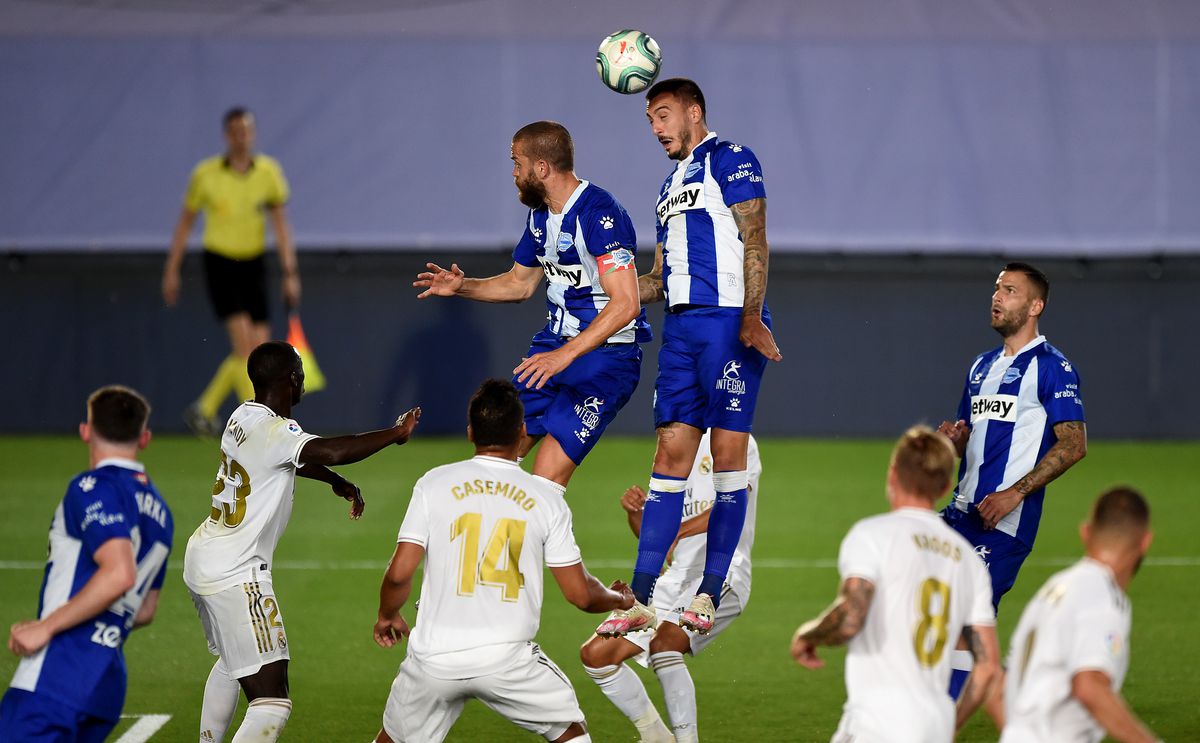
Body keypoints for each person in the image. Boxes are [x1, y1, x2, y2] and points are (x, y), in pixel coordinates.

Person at [602, 77, 782, 639]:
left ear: (693, 112)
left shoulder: (731, 158)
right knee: (670, 456)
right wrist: (605, 286)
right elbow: (659, 278)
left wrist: (751, 316)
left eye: (663, 116)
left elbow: (756, 238)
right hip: (679, 330)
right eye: (650, 120)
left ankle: (707, 594)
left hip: (728, 323)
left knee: (727, 458)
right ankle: (642, 594)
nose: (655, 129)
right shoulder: (667, 186)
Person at [371, 379, 634, 743]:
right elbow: (581, 595)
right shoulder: (546, 498)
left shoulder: (433, 483)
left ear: (469, 433)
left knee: (392, 738)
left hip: (434, 659)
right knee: (571, 733)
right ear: (523, 430)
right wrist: (619, 600)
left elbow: (400, 573)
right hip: (507, 661)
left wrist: (387, 615)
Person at [183, 341, 420, 743]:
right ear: (290, 380)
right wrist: (395, 433)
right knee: (272, 702)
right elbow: (330, 449)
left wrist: (335, 482)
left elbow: (290, 457)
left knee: (232, 661)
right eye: (300, 372)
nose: (304, 379)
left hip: (203, 557)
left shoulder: (242, 415)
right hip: (236, 574)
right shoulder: (279, 429)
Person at [413, 121, 649, 491]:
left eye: (517, 163)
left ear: (541, 168)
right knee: (492, 465)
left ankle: (554, 549)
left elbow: (627, 303)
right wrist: (463, 286)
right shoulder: (541, 216)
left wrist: (564, 356)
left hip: (605, 360)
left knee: (542, 485)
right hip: (552, 350)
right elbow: (519, 284)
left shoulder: (600, 214)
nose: (513, 174)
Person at [790, 426, 999, 743]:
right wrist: (949, 723)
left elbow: (849, 620)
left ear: (892, 474)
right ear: (944, 486)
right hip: (934, 721)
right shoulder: (967, 560)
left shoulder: (873, 535)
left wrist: (808, 634)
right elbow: (987, 668)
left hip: (879, 719)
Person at [937, 262, 1088, 698]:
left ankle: (940, 719)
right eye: (997, 289)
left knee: (967, 615)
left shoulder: (1053, 368)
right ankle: (993, 679)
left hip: (1003, 526)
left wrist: (1013, 494)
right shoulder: (980, 367)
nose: (997, 297)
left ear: (1036, 306)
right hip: (959, 514)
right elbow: (968, 441)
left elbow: (1073, 444)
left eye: (1011, 291)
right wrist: (951, 443)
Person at [0, 386, 174, 741]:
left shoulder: (89, 487)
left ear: (85, 430)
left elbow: (120, 573)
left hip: (58, 673)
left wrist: (46, 627)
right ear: (144, 438)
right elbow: (143, 611)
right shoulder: (160, 512)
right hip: (106, 683)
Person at [580, 431, 761, 743]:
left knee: (665, 645)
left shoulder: (736, 438)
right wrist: (636, 515)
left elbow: (734, 502)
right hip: (676, 577)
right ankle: (657, 737)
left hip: (723, 574)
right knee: (596, 656)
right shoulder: (674, 441)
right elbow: (657, 541)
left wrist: (678, 529)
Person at [163, 106, 301, 436]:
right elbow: (186, 222)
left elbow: (281, 224)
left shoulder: (268, 172)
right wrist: (172, 269)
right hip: (221, 263)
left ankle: (206, 407)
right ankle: (260, 424)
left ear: (252, 134)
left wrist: (290, 271)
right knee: (245, 349)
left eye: (246, 131)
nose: (241, 137)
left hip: (254, 263)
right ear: (227, 135)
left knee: (261, 348)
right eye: (235, 131)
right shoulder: (206, 174)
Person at [1002, 487, 1160, 743]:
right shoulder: (1102, 595)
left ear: (1085, 532)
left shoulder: (1055, 588)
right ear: (1145, 542)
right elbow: (1090, 687)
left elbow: (1002, 681)